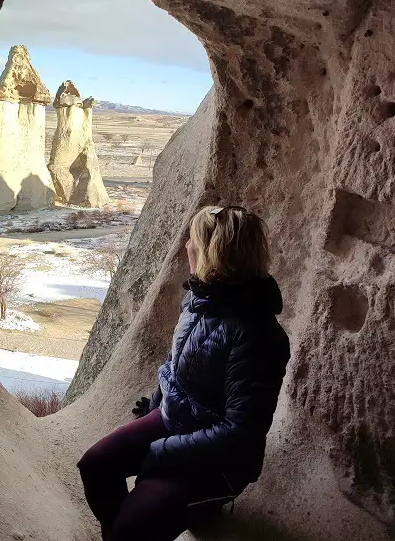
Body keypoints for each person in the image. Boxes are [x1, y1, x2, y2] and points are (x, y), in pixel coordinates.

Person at [77, 205, 291, 541]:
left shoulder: (258, 335)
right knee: (95, 465)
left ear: (213, 255)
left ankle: (177, 514)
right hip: (176, 420)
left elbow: (240, 433)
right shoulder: (200, 299)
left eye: (193, 239)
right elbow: (176, 365)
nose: (187, 246)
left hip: (221, 461)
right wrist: (156, 404)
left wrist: (160, 452)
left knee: (134, 526)